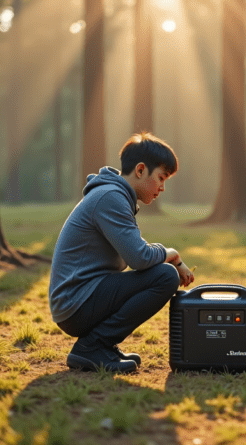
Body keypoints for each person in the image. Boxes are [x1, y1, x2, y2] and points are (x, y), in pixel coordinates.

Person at [49, 132, 195, 373]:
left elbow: (136, 251)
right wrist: (172, 255)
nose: (162, 187)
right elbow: (139, 257)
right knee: (165, 276)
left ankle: (101, 345)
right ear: (140, 170)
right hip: (76, 303)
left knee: (162, 273)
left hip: (80, 298)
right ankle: (94, 346)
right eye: (161, 178)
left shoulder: (114, 195)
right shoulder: (111, 198)